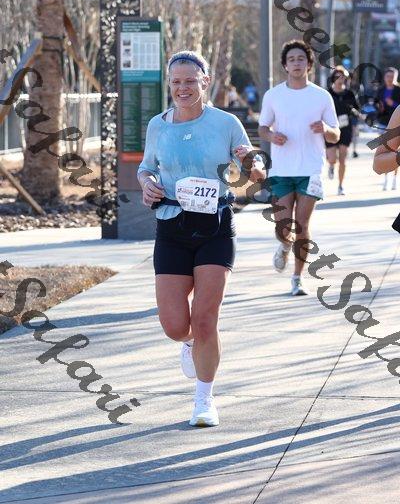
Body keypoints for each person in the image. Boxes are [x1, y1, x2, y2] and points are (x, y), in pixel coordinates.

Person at [137, 50, 265, 427]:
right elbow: (146, 169)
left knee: (206, 319)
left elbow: (253, 169)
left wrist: (252, 163)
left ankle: (204, 400)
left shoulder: (226, 123)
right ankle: (189, 342)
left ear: (205, 82)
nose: (183, 88)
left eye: (190, 81)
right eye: (176, 82)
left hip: (214, 227)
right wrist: (147, 185)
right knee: (175, 325)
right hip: (172, 227)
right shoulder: (158, 125)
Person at [258, 40, 340, 296]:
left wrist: (325, 129)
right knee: (283, 228)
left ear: (309, 64)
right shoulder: (273, 95)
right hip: (282, 170)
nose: (296, 63)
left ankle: (297, 277)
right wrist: (272, 137)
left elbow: (336, 134)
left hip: (311, 169)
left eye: (301, 59)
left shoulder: (321, 96)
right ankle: (284, 245)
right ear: (285, 65)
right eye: (291, 59)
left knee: (302, 225)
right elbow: (262, 128)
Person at [326, 67, 360, 195]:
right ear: (333, 79)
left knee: (342, 158)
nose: (340, 79)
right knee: (332, 159)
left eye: (342, 77)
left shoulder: (349, 94)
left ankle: (340, 186)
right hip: (331, 128)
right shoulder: (328, 93)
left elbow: (357, 110)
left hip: (345, 128)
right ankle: (331, 166)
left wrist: (354, 112)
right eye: (337, 77)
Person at [377, 67, 400, 190]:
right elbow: (376, 104)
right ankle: (386, 178)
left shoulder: (398, 90)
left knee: (395, 152)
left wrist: (393, 104)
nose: (390, 79)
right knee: (385, 152)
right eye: (388, 76)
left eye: (392, 76)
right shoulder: (381, 90)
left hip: (397, 125)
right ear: (384, 78)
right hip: (383, 123)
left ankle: (395, 178)